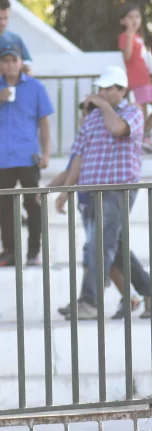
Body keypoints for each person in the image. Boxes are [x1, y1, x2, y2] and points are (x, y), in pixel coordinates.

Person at [59, 65, 152, 319]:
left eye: (108, 88)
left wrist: (103, 105)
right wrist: (64, 191)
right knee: (114, 247)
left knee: (100, 245)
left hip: (118, 190)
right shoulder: (92, 118)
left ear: (122, 90)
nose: (103, 93)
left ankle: (90, 302)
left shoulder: (133, 112)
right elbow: (79, 156)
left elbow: (118, 129)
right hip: (92, 191)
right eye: (101, 89)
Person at [0, 44, 52, 267]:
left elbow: (44, 122)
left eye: (14, 60)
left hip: (28, 156)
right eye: (6, 60)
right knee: (4, 207)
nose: (10, 65)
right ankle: (9, 252)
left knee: (33, 205)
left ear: (21, 63)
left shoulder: (35, 87)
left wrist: (47, 153)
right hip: (2, 159)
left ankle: (34, 253)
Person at [118, 3, 152, 154]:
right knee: (140, 113)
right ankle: (141, 142)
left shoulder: (139, 37)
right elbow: (127, 56)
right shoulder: (125, 36)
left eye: (137, 16)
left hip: (147, 81)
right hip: (138, 83)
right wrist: (129, 35)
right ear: (123, 21)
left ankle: (146, 135)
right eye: (130, 17)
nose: (134, 20)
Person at [0, 0, 32, 75]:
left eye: (6, 18)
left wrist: (26, 68)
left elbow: (27, 64)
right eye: (0, 19)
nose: (3, 23)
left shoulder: (15, 39)